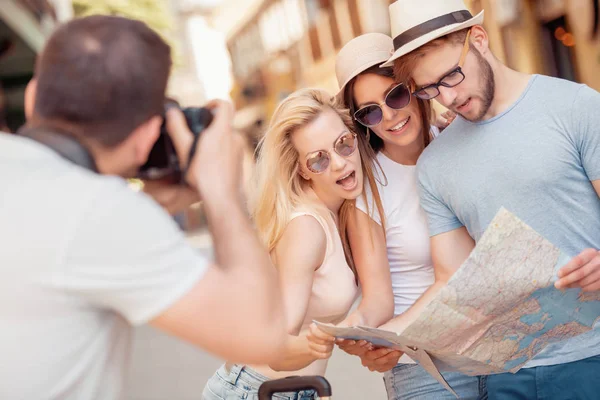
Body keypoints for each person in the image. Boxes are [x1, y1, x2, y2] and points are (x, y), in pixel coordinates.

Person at [0, 15, 287, 400]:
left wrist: (147, 204)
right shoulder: (100, 213)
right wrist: (221, 189)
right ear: (148, 135)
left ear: (34, 95)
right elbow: (261, 335)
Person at [359, 0, 600, 398]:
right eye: (431, 90)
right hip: (504, 374)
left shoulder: (575, 106)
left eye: (451, 76)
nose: (447, 98)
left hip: (590, 359)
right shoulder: (436, 164)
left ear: (480, 39)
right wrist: (387, 336)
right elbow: (450, 280)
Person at [308, 33, 482, 399]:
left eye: (396, 95)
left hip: (499, 352)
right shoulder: (367, 189)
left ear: (416, 86)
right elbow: (376, 299)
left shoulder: (463, 139)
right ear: (360, 122)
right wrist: (358, 331)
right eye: (369, 111)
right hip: (424, 370)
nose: (388, 116)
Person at [203, 88, 386, 400]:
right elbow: (278, 346)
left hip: (290, 390)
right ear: (302, 169)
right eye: (318, 160)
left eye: (343, 144)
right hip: (257, 391)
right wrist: (330, 339)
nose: (340, 164)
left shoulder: (338, 213)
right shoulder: (306, 227)